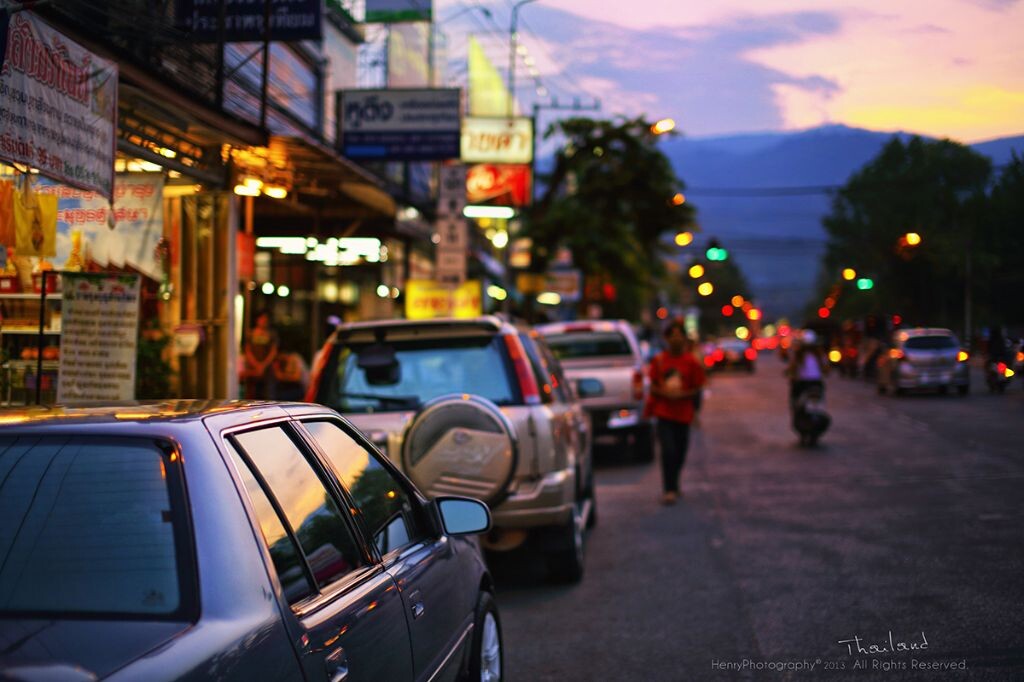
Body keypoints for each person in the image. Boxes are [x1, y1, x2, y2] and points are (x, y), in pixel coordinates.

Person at [648, 318, 706, 505]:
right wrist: (666, 393)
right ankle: (669, 489)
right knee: (668, 450)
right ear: (666, 339)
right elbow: (653, 387)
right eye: (672, 336)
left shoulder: (692, 362)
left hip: (684, 413)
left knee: (680, 451)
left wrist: (685, 396)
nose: (676, 339)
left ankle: (675, 481)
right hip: (664, 412)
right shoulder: (658, 361)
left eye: (679, 336)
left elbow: (698, 388)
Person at [786, 330, 828, 409]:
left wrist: (790, 374)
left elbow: (792, 368)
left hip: (803, 383)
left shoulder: (798, 355)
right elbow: (826, 369)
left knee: (795, 401)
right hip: (817, 382)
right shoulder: (819, 354)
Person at [243, 311, 278, 399]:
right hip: (252, 368)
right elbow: (247, 350)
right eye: (262, 319)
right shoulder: (250, 334)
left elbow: (273, 351)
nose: (264, 321)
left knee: (267, 394)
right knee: (251, 394)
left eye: (265, 319)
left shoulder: (271, 334)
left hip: (267, 369)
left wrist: (263, 365)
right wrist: (255, 364)